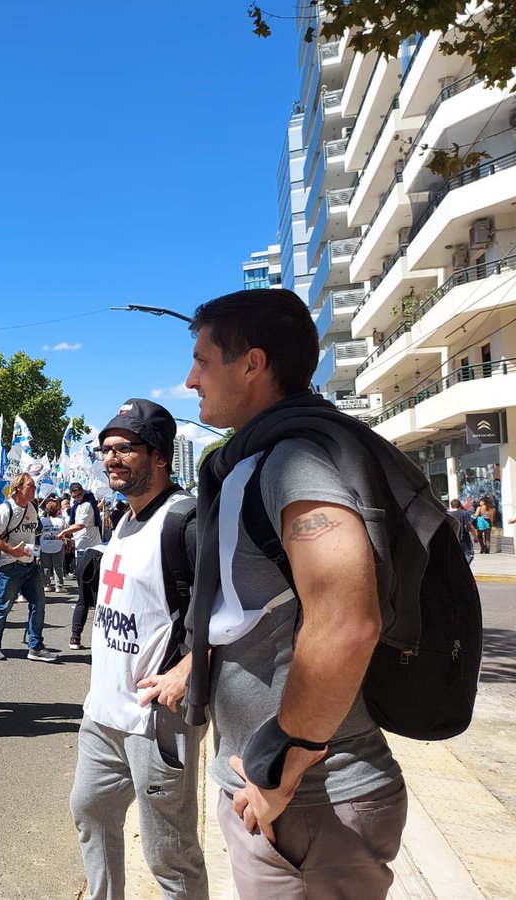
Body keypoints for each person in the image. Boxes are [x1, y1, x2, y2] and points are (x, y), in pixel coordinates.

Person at [182, 289, 408, 899]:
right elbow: (258, 612)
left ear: (252, 364)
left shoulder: (294, 462)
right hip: (288, 801)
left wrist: (282, 770)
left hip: (311, 803)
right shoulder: (260, 461)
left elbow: (345, 620)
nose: (190, 379)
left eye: (203, 361)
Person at [70, 398, 208, 900]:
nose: (111, 458)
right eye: (105, 449)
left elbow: (236, 607)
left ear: (159, 456)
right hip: (102, 714)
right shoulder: (124, 518)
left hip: (155, 719)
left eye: (125, 448)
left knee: (168, 853)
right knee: (90, 809)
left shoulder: (186, 520)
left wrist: (189, 668)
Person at [0, 472, 57, 662]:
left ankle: (36, 647)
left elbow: (33, 532)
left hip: (30, 565)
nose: (34, 489)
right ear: (17, 489)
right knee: (3, 607)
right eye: (30, 486)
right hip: (9, 566)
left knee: (38, 603)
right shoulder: (5, 509)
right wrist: (10, 549)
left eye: (34, 486)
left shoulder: (32, 507)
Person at [62, 482, 103, 651]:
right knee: (85, 597)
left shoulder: (87, 505)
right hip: (82, 553)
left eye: (79, 495)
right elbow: (79, 532)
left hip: (93, 553)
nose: (77, 498)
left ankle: (100, 637)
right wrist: (68, 538)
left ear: (83, 493)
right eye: (74, 496)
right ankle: (76, 636)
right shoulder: (77, 507)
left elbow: (80, 526)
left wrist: (63, 532)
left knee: (95, 598)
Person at [39, 498, 67, 592]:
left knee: (45, 566)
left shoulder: (42, 521)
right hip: (57, 545)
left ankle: (46, 585)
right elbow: (66, 531)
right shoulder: (61, 521)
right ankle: (59, 586)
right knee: (58, 566)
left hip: (44, 545)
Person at [448, 498, 475, 565]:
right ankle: (465, 567)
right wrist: (475, 536)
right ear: (460, 505)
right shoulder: (464, 514)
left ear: (451, 506)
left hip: (452, 539)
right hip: (464, 538)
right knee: (469, 554)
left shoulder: (448, 514)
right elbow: (470, 526)